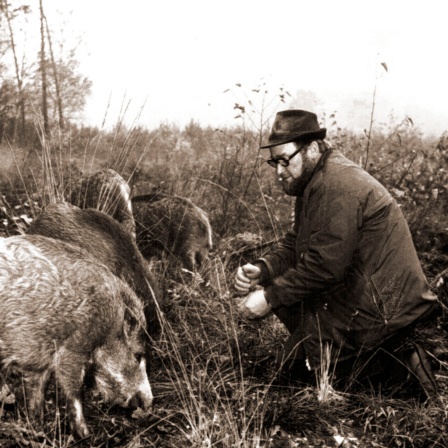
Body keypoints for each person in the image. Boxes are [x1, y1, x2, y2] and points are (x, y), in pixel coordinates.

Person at [234, 109, 438, 398]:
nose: (279, 172)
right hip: (361, 295)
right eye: (274, 163)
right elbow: (297, 243)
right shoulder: (314, 180)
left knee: (300, 375)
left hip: (386, 308)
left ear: (313, 148)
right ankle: (353, 355)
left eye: (284, 161)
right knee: (294, 367)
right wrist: (264, 269)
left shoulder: (336, 184)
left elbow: (325, 266)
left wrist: (268, 298)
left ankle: (403, 365)